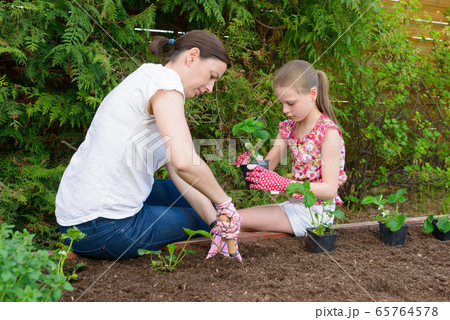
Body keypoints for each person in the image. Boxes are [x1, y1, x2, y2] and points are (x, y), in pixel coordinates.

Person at [55, 30, 241, 260]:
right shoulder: (167, 84)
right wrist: (225, 203)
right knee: (201, 214)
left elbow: (181, 170)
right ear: (192, 57)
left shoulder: (148, 76)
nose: (211, 88)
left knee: (208, 201)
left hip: (77, 221)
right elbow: (185, 162)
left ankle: (217, 226)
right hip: (104, 229)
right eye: (212, 76)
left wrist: (216, 218)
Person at [236, 60, 347, 236]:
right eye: (281, 104)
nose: (285, 109)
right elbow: (268, 168)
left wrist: (284, 184)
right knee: (235, 222)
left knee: (234, 220)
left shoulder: (328, 133)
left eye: (291, 103)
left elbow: (329, 190)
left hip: (315, 214)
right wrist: (249, 167)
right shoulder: (289, 128)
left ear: (312, 94)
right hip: (294, 206)